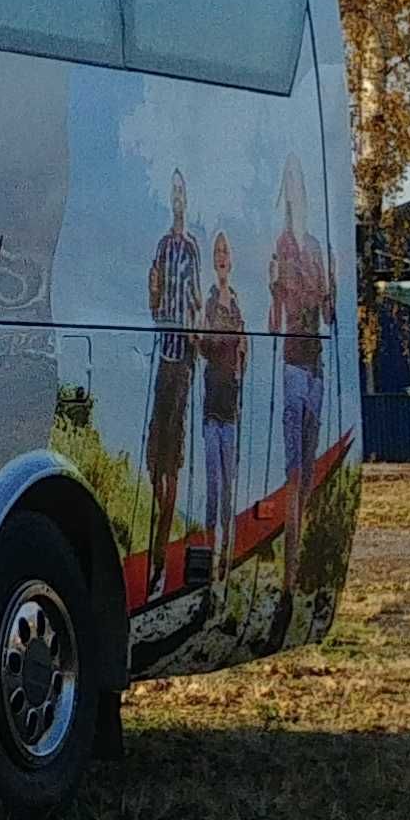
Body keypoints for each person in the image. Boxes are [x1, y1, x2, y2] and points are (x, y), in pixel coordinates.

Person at [269, 164, 334, 557]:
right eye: (289, 189)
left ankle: (301, 554)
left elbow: (329, 315)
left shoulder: (313, 246)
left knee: (309, 470)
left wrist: (329, 291)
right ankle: (291, 554)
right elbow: (276, 318)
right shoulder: (283, 245)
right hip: (293, 365)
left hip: (317, 366)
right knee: (294, 470)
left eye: (300, 188)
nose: (296, 197)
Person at [145, 174, 203, 600]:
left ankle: (161, 560)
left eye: (183, 193)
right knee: (153, 458)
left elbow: (195, 298)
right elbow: (155, 296)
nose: (178, 198)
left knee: (172, 459)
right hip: (162, 356)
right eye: (175, 192)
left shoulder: (192, 249)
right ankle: (157, 543)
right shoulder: (163, 246)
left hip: (183, 359)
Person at [199, 233, 251, 584]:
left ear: (230, 261)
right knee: (213, 488)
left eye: (225, 251)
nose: (221, 257)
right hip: (210, 407)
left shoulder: (236, 302)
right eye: (217, 252)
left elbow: (242, 350)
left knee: (230, 489)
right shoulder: (208, 301)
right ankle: (206, 560)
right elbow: (206, 346)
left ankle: (227, 565)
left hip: (231, 407)